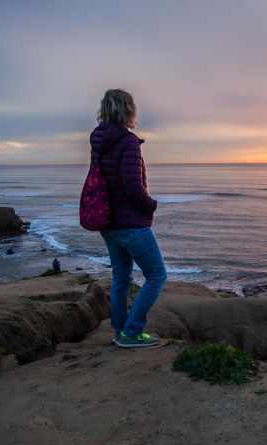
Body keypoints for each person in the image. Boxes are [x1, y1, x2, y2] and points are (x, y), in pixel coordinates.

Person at [90, 89, 167, 348]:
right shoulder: (129, 142)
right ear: (128, 110)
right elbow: (133, 187)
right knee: (157, 275)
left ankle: (120, 330)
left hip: (107, 222)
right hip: (130, 223)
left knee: (121, 277)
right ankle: (132, 332)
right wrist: (151, 205)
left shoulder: (99, 142)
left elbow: (104, 181)